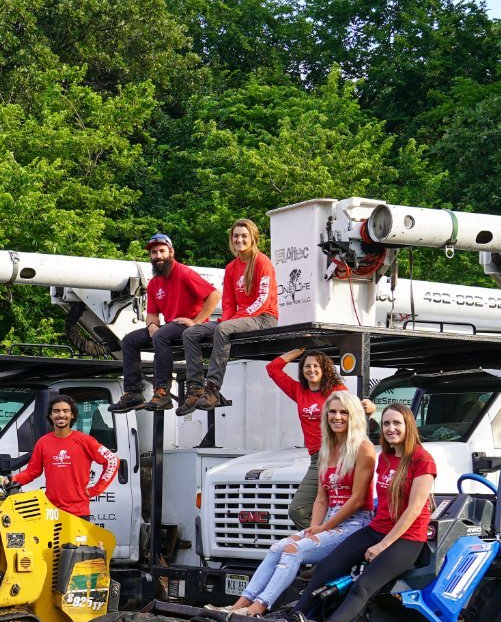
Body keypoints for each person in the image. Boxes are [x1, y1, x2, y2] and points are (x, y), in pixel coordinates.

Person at [220, 389, 376, 617]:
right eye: (332, 412)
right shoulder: (326, 449)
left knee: (293, 550)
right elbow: (322, 498)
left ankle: (259, 607)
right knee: (276, 548)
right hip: (331, 517)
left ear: (354, 416)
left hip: (354, 522)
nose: (337, 417)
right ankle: (238, 605)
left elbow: (358, 499)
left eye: (344, 412)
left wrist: (324, 528)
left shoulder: (363, 447)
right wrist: (314, 527)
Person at [301, 402, 438, 622]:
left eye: (397, 423)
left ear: (409, 426)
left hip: (407, 539)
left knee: (363, 585)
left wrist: (382, 546)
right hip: (377, 528)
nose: (391, 428)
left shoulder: (422, 460)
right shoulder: (385, 457)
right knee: (326, 568)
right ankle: (295, 618)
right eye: (386, 423)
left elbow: (414, 510)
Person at [179, 218, 279, 416]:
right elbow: (228, 303)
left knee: (222, 329)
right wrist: (227, 317)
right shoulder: (231, 267)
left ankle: (213, 389)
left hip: (264, 317)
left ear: (253, 238)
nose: (239, 239)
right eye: (236, 236)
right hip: (239, 318)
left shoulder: (262, 262)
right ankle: (195, 388)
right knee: (191, 332)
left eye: (244, 236)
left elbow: (263, 300)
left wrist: (230, 321)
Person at [112, 233, 218, 413]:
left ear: (171, 252)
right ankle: (133, 394)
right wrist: (151, 325)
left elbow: (214, 295)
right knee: (129, 340)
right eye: (154, 252)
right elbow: (152, 315)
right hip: (170, 327)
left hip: (188, 325)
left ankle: (163, 393)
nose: (158, 256)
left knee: (161, 335)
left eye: (162, 251)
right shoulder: (154, 283)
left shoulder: (184, 273)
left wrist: (196, 321)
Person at [5, 394, 117, 520]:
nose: (61, 415)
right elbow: (33, 471)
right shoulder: (43, 442)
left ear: (72, 415)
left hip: (78, 512)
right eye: (56, 411)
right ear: (51, 415)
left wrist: (95, 490)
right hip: (51, 511)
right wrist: (13, 480)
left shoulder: (85, 440)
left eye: (66, 411)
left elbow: (112, 460)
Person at [268, 347, 344, 530]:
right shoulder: (298, 391)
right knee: (304, 510)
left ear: (324, 369)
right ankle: (323, 542)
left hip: (335, 454)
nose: (311, 370)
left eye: (316, 366)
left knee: (303, 509)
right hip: (316, 458)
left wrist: (369, 407)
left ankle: (322, 543)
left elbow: (354, 410)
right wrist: (295, 352)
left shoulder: (336, 390)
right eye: (307, 366)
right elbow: (273, 369)